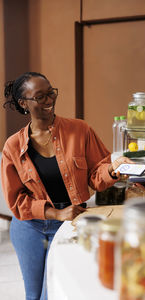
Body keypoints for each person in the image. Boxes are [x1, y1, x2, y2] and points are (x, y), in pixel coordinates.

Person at [0, 71, 132, 300]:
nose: (49, 100)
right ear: (23, 103)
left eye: (51, 93)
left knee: (51, 293)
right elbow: (16, 200)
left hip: (70, 224)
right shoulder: (12, 146)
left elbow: (96, 174)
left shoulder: (80, 130)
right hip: (29, 228)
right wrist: (56, 212)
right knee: (33, 295)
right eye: (40, 96)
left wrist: (112, 169)